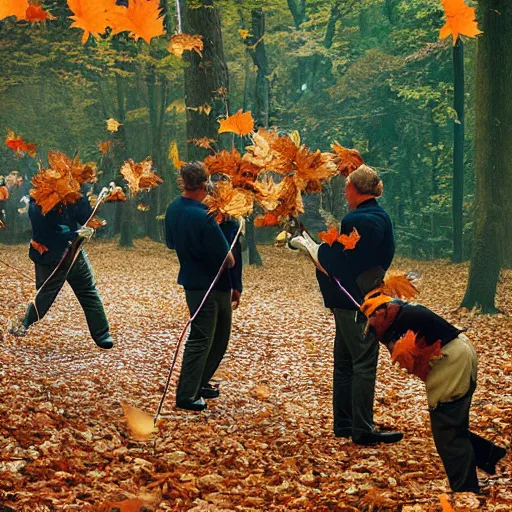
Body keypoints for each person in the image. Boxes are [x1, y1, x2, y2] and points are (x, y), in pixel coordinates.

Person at [290, 165, 402, 445]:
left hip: (355, 301)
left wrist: (315, 249)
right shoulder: (378, 216)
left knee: (360, 362)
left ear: (356, 190)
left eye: (347, 185)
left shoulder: (359, 220)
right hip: (355, 297)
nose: (344, 190)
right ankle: (345, 424)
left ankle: (359, 428)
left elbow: (341, 261)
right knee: (345, 361)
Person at [363, 296, 507, 492]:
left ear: (382, 313)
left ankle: (466, 490)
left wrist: (388, 342)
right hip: (459, 351)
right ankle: (487, 454)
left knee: (447, 430)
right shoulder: (401, 310)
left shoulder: (403, 318)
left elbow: (403, 353)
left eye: (372, 318)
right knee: (451, 423)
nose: (370, 324)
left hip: (452, 361)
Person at [165, 162, 243, 412]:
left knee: (216, 337)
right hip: (209, 285)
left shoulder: (174, 208)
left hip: (194, 282)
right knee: (204, 338)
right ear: (204, 184)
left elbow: (169, 242)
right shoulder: (203, 215)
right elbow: (228, 260)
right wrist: (232, 229)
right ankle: (187, 394)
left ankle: (200, 382)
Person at [9, 195, 113, 350]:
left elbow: (85, 216)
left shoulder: (71, 194)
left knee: (88, 291)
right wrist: (75, 234)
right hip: (49, 257)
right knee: (44, 295)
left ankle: (102, 334)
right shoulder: (38, 201)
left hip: (74, 253)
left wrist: (98, 200)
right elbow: (43, 233)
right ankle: (21, 323)